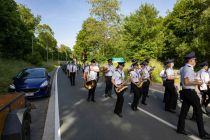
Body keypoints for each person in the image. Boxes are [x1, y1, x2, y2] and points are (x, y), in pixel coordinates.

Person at [177, 52, 210, 139]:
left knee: (184, 111)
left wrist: (194, 80)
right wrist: (197, 82)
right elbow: (187, 82)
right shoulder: (188, 68)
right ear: (191, 60)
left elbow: (184, 79)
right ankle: (202, 134)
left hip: (186, 92)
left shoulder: (184, 68)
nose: (195, 61)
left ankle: (180, 128)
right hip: (190, 92)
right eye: (194, 60)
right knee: (198, 111)